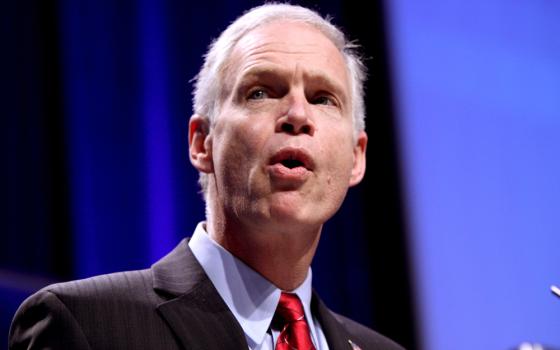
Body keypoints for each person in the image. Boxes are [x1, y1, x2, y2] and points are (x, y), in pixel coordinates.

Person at [9, 3, 404, 350]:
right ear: (202, 143)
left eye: (322, 98)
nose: (298, 116)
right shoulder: (87, 326)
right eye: (261, 93)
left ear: (356, 158)